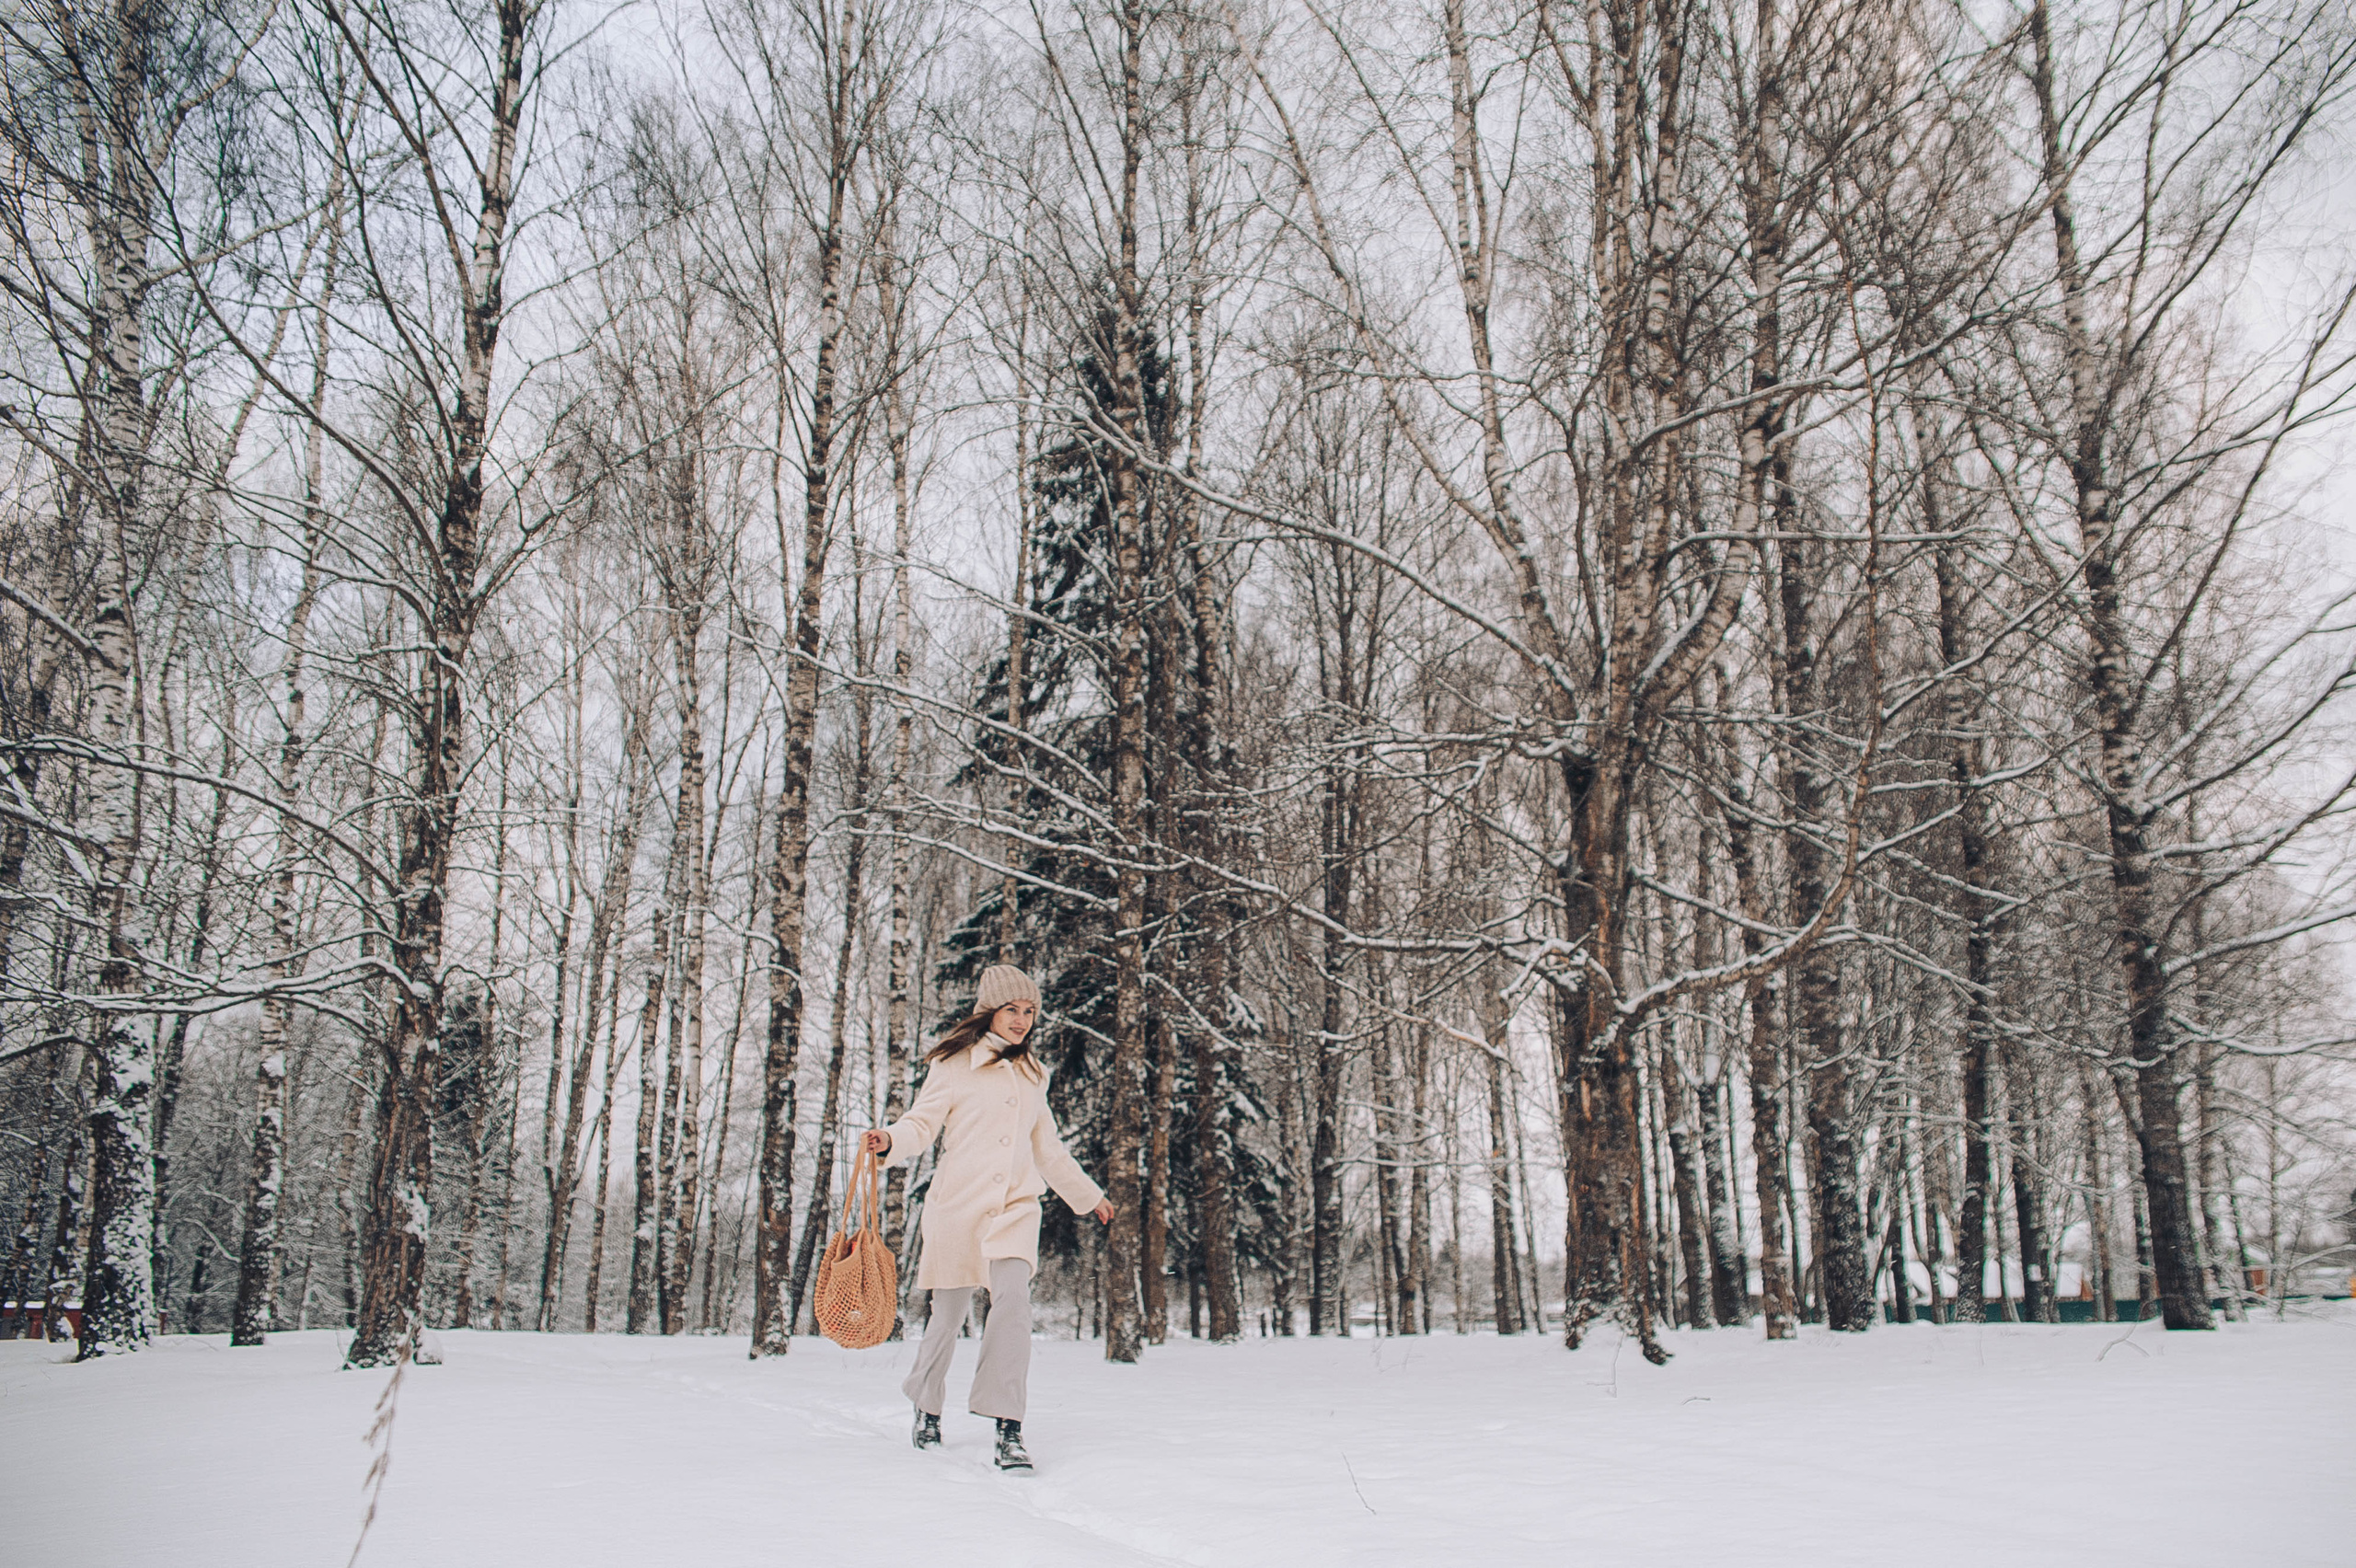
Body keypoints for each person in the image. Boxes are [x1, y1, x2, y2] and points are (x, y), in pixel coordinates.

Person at [862, 964, 1113, 1473]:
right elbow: (921, 1123)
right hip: (958, 1208)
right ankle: (927, 1405)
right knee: (948, 1317)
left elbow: (1048, 1149)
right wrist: (890, 1140)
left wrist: (1089, 1196)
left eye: (1029, 1012)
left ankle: (1008, 1428)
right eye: (1012, 1010)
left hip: (1016, 1209)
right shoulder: (953, 1065)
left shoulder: (1034, 1074)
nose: (1022, 1021)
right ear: (989, 1012)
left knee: (1014, 1306)